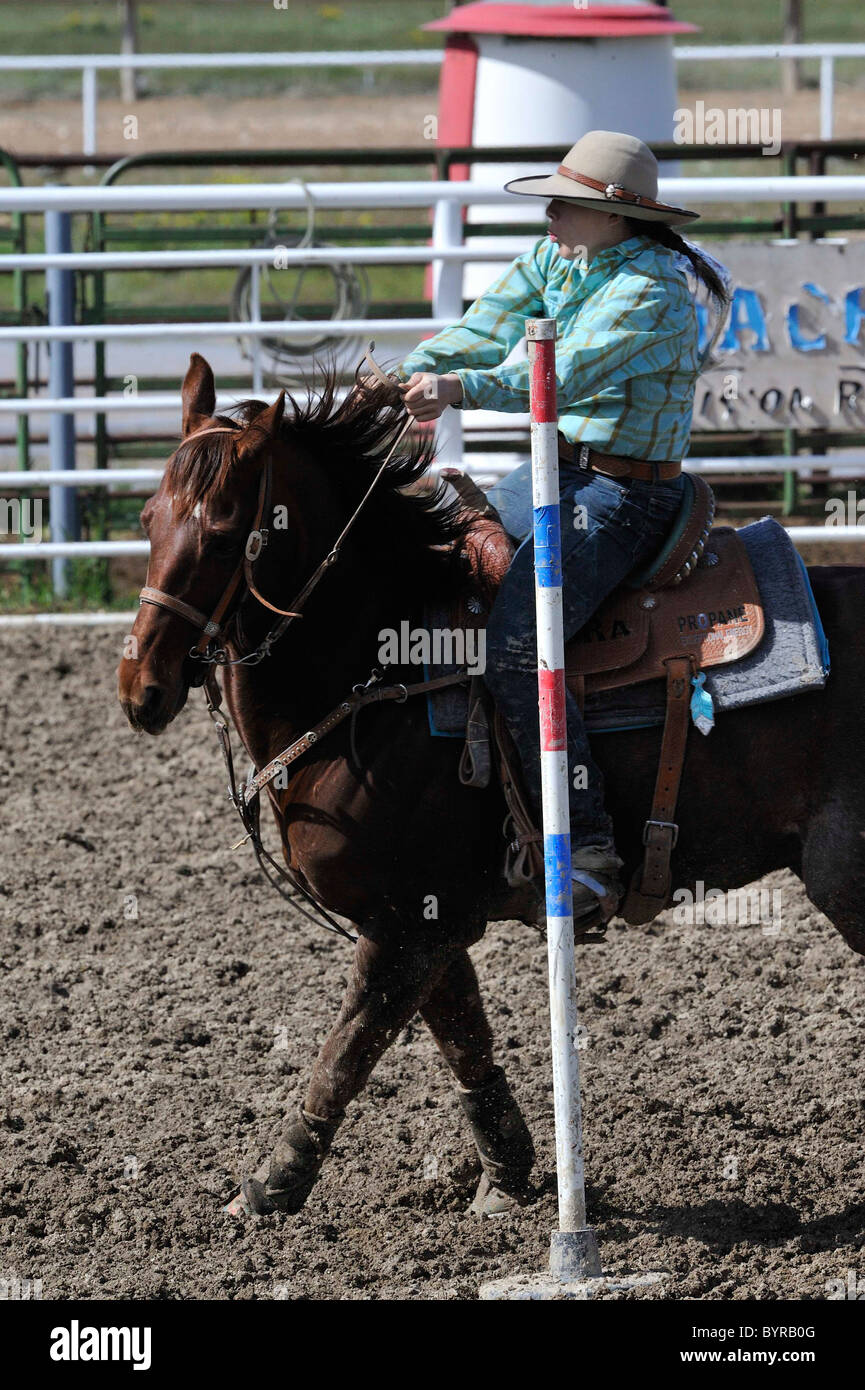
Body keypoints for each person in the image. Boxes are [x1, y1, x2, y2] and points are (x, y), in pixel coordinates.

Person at [396, 130, 729, 930]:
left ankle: (587, 848)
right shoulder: (562, 258)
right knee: (438, 557)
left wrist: (454, 387)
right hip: (559, 473)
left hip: (624, 494)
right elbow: (486, 325)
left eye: (564, 202)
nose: (549, 213)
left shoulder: (651, 291)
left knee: (518, 644)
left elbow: (555, 375)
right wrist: (412, 370)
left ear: (614, 216)